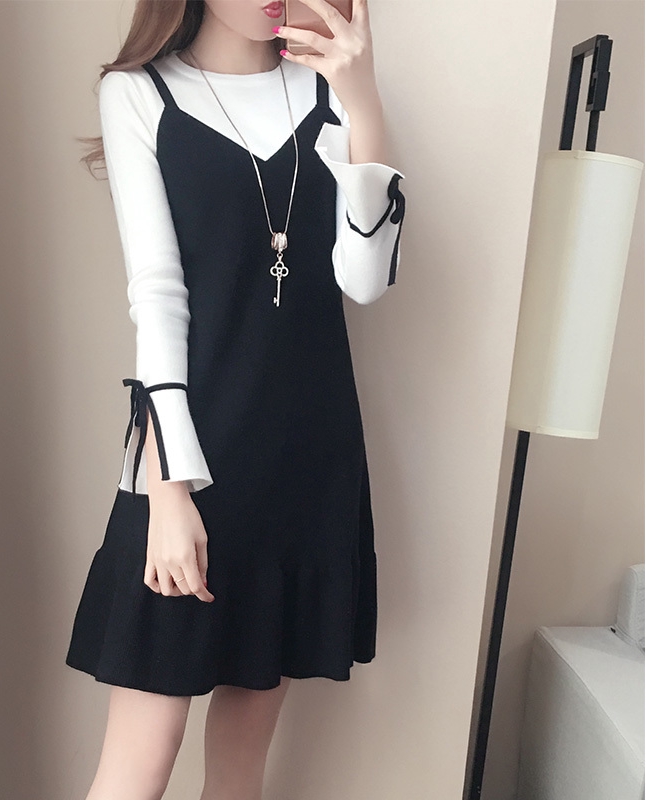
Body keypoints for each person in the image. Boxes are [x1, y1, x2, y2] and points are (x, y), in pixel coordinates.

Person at [66, 0, 406, 797]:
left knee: (240, 768)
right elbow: (158, 299)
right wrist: (168, 490)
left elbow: (365, 280)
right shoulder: (138, 93)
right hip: (191, 459)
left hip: (306, 459)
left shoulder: (327, 92)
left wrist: (362, 99)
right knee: (139, 761)